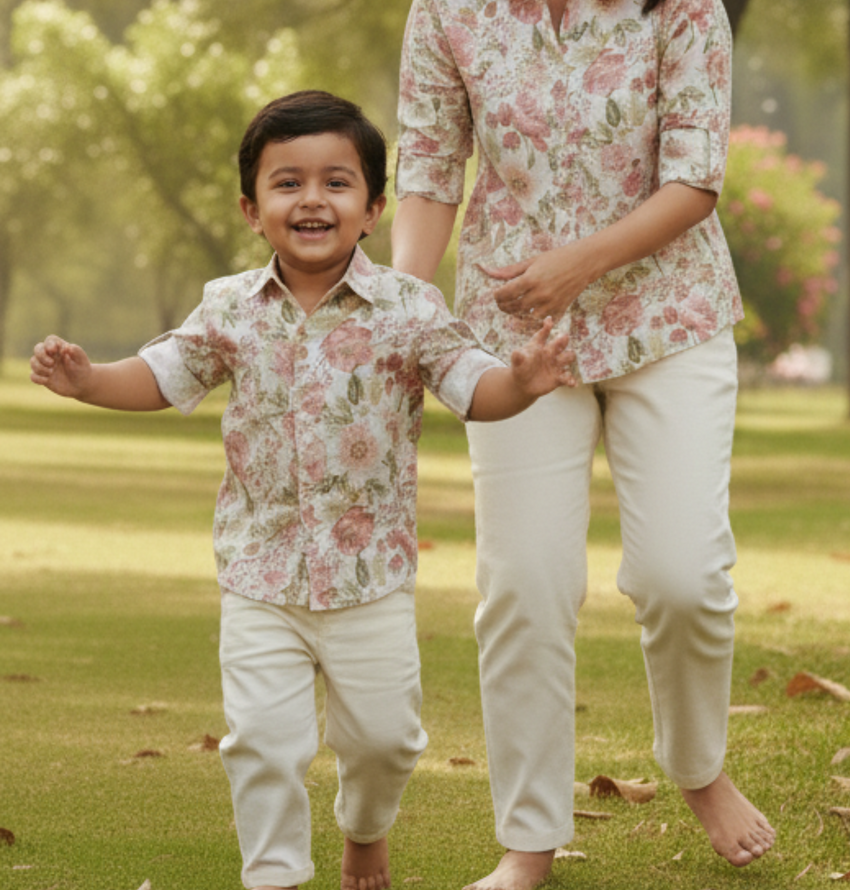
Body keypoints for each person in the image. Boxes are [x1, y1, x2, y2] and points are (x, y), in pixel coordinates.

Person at [392, 0, 776, 890]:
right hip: (513, 347)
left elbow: (694, 178)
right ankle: (527, 844)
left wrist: (572, 269)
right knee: (523, 587)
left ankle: (696, 765)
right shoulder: (448, 1)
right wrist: (412, 314)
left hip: (668, 320)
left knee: (680, 577)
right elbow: (424, 169)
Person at [30, 89, 575, 890]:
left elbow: (472, 386)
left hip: (371, 581)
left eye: (336, 182)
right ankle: (275, 875)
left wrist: (521, 384)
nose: (312, 199)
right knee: (262, 741)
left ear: (374, 207)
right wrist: (88, 380)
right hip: (260, 577)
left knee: (385, 742)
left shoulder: (409, 309)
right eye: (287, 183)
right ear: (252, 209)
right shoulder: (228, 310)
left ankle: (365, 831)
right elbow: (159, 376)